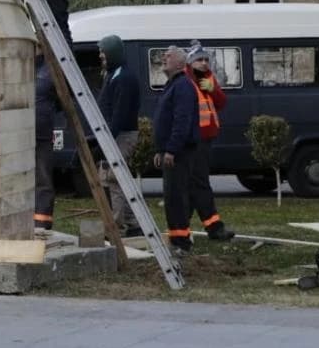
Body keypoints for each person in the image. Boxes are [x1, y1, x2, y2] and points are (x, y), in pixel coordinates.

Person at [184, 43, 236, 241]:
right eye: (200, 60)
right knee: (199, 183)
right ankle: (214, 227)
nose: (204, 63)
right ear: (190, 62)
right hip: (193, 140)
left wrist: (213, 89)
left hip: (206, 139)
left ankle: (181, 227)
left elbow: (221, 102)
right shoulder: (186, 80)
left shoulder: (208, 78)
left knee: (193, 185)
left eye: (206, 59)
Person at [152, 45, 199, 254]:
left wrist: (171, 150)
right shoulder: (171, 85)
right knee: (171, 198)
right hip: (169, 151)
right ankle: (176, 238)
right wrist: (160, 150)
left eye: (168, 56)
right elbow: (165, 121)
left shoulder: (183, 86)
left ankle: (182, 243)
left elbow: (182, 121)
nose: (164, 58)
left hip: (179, 153)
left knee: (177, 198)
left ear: (180, 63)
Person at [96, 34, 141, 236]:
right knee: (110, 178)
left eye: (103, 52)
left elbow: (120, 115)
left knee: (115, 178)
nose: (100, 56)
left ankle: (116, 227)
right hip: (114, 134)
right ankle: (133, 223)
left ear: (112, 52)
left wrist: (107, 139)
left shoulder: (124, 78)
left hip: (121, 135)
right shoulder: (112, 74)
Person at [33, 58, 58, 233]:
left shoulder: (49, 70)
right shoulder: (25, 66)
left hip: (41, 134)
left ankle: (42, 223)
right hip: (21, 133)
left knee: (43, 179)